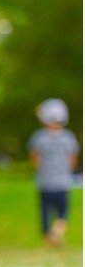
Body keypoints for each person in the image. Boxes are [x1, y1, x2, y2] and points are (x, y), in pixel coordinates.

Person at [27, 98, 79, 247]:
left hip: (44, 182)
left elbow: (35, 159)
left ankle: (48, 236)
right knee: (62, 212)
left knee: (45, 211)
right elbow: (73, 160)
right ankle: (57, 232)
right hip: (63, 182)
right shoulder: (68, 137)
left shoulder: (39, 137)